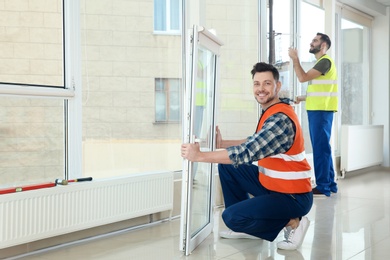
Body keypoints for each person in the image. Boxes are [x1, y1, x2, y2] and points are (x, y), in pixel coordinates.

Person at [181, 62, 313, 250]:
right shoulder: (272, 111)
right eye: (256, 84)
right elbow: (254, 141)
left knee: (231, 217)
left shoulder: (280, 120)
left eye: (267, 83)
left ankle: (293, 222)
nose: (261, 89)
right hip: (275, 186)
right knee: (228, 167)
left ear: (277, 86)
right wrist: (222, 144)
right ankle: (249, 226)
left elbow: (247, 152)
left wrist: (199, 156)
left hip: (293, 197)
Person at [288, 32, 338, 197]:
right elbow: (320, 90)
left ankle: (323, 186)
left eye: (315, 41)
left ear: (323, 45)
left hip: (321, 112)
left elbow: (302, 78)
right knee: (324, 147)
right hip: (320, 110)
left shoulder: (324, 62)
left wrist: (295, 58)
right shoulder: (322, 63)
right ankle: (330, 184)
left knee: (320, 148)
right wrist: (302, 98)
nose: (312, 43)